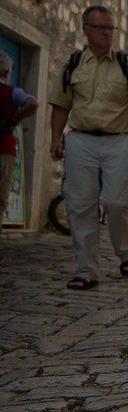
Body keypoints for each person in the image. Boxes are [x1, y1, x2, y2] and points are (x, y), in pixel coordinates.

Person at [49, 5, 128, 290]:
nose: (107, 32)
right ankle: (86, 269)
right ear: (86, 29)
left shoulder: (124, 64)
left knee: (117, 202)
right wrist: (56, 137)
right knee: (80, 205)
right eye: (101, 27)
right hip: (80, 139)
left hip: (119, 140)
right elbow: (60, 105)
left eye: (111, 28)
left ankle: (126, 253)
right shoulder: (73, 64)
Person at [0, 51, 38, 263]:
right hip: (4, 149)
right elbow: (33, 103)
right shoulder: (12, 92)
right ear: (7, 72)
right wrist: (15, 118)